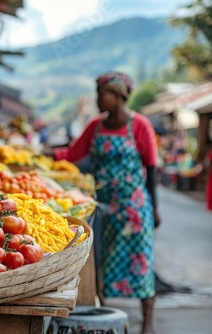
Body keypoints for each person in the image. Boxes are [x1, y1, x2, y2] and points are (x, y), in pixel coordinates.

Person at [52, 72, 159, 334]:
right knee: (104, 262)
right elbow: (73, 153)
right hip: (105, 209)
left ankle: (147, 323)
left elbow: (152, 167)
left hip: (134, 209)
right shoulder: (96, 126)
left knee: (141, 261)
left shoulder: (140, 125)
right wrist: (45, 154)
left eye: (102, 95)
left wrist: (154, 208)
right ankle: (107, 317)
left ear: (118, 95)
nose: (99, 100)